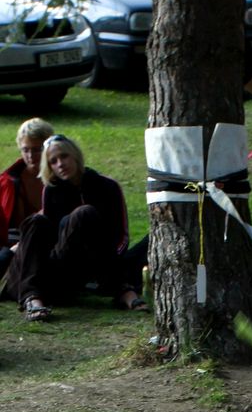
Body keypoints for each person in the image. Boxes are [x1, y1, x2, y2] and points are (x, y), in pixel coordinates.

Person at [6, 134, 146, 322]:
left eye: (64, 157)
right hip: (50, 267)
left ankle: (122, 289)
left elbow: (121, 239)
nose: (60, 164)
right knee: (36, 222)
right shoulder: (51, 189)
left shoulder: (107, 186)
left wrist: (104, 267)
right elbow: (47, 237)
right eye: (53, 162)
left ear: (75, 156)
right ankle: (32, 298)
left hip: (87, 264)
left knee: (85, 214)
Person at [0, 117, 53, 278]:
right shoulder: (7, 181)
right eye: (25, 150)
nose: (31, 156)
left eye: (37, 150)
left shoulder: (62, 179)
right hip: (10, 246)